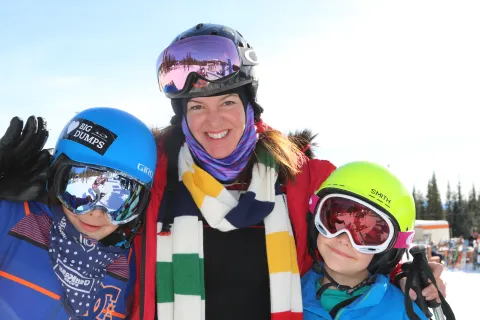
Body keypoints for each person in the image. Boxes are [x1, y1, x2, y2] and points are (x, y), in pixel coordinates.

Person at [130, 23, 447, 320]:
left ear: (249, 106)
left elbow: (355, 237)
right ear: (182, 116)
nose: (213, 121)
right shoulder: (152, 176)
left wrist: (404, 277)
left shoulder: (301, 177)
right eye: (197, 106)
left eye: (227, 102)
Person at [0, 107, 157, 319]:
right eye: (81, 189)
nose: (96, 213)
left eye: (118, 199)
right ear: (56, 178)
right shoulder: (15, 220)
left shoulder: (127, 265)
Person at [302, 161, 427, 319]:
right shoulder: (287, 298)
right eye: (336, 221)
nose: (344, 239)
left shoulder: (404, 313)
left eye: (367, 234)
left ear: (388, 251)